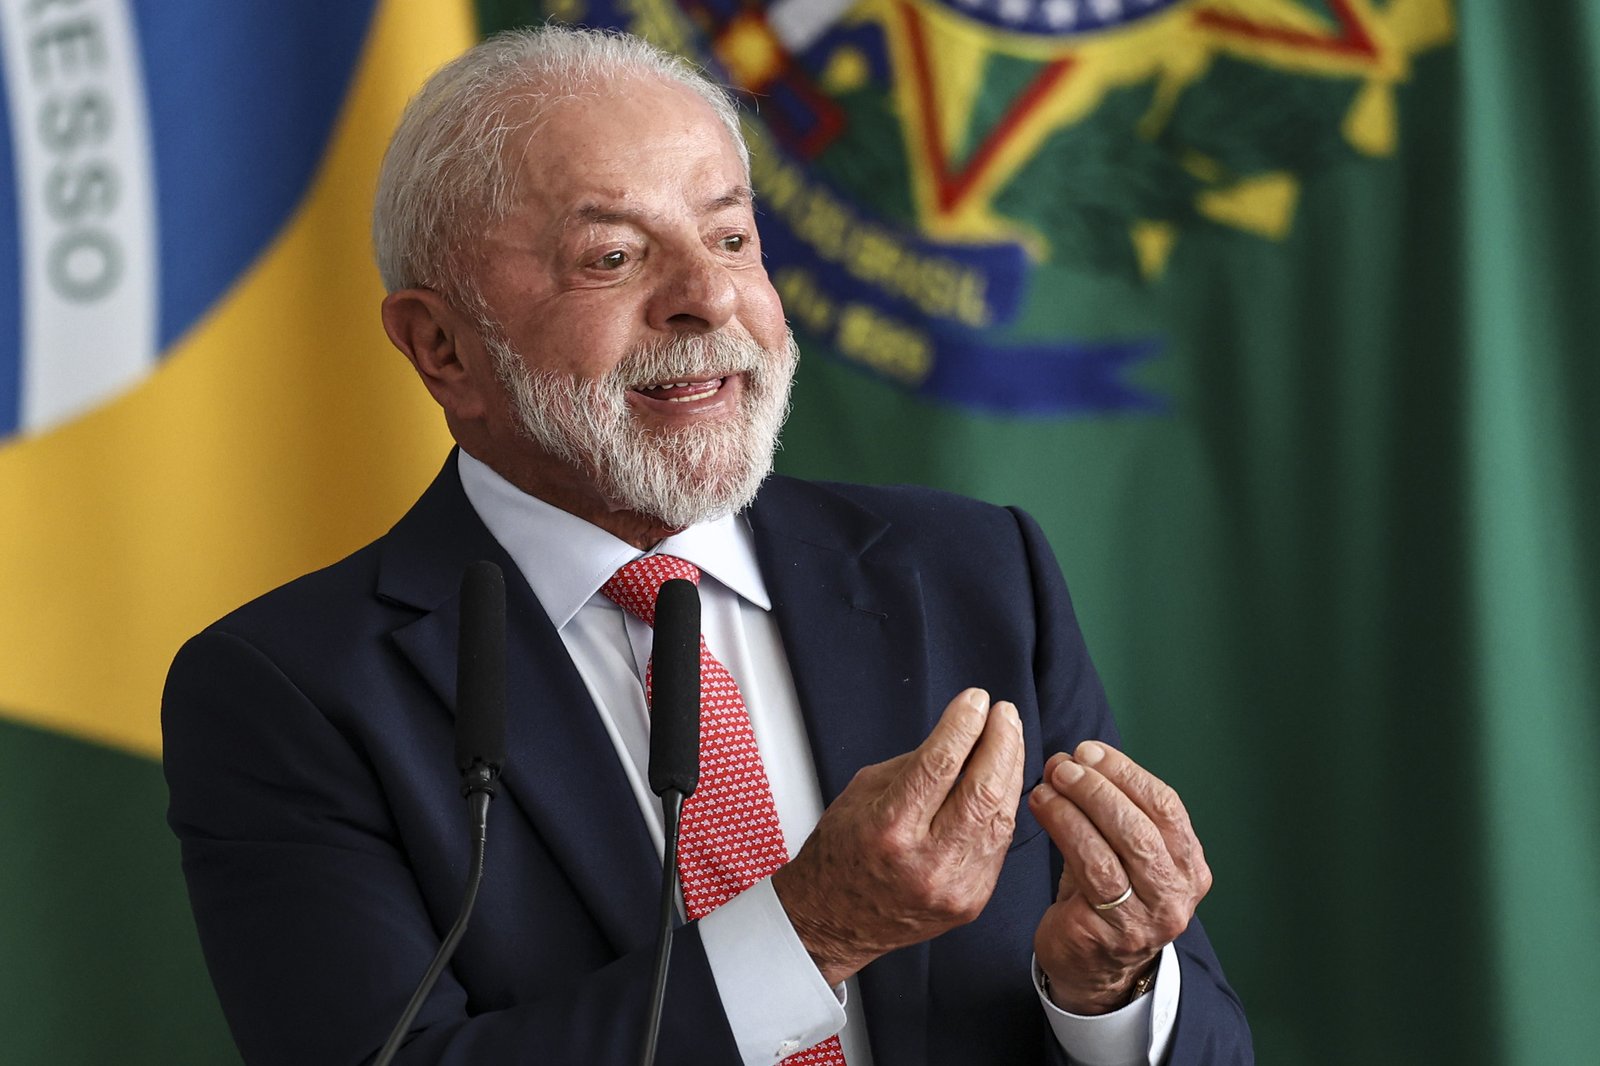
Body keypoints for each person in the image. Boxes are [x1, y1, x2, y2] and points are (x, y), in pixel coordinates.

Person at [162, 25, 1251, 1066]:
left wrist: (1107, 991)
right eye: (612, 256)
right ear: (441, 346)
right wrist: (813, 928)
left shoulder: (974, 571)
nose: (709, 297)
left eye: (732, 238)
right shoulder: (288, 691)